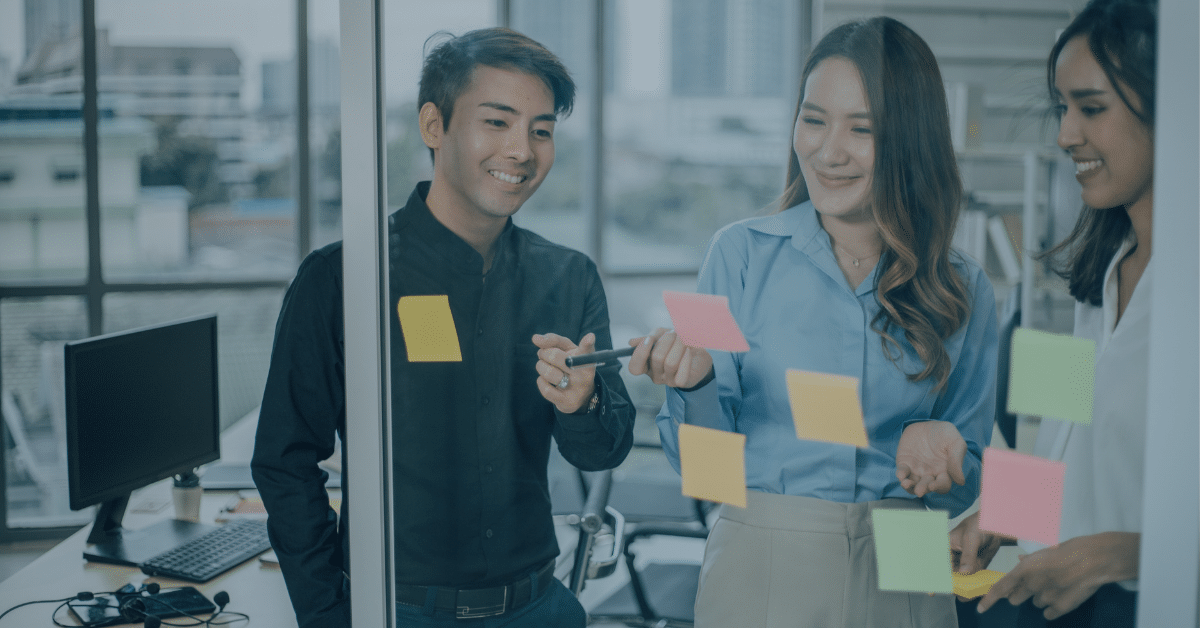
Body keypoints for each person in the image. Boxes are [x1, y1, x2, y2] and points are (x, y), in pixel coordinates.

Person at [251, 27, 636, 628]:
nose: (521, 151)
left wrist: (581, 405)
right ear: (434, 126)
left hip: (541, 607)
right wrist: (329, 614)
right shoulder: (346, 276)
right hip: (396, 610)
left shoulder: (568, 277)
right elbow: (284, 460)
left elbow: (602, 451)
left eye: (541, 130)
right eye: (498, 122)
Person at [627, 16, 998, 628]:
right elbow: (703, 475)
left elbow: (976, 481)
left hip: (908, 554)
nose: (829, 151)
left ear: (911, 139)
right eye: (813, 119)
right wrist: (692, 388)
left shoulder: (964, 285)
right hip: (762, 552)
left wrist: (953, 460)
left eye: (863, 129)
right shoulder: (735, 254)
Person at [958, 1, 1157, 626]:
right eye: (1063, 109)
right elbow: (1066, 439)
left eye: (1091, 108)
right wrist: (1002, 510)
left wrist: (1115, 556)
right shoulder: (1100, 268)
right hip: (1058, 604)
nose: (1067, 134)